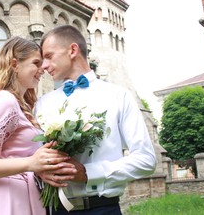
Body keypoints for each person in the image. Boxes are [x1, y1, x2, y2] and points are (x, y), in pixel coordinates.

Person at [35, 25, 157, 215]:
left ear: (73, 50)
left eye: (49, 56)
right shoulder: (43, 103)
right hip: (53, 209)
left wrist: (88, 173)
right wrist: (39, 169)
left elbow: (146, 160)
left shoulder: (118, 96)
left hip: (102, 209)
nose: (43, 65)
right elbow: (33, 158)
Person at [0, 36, 75, 215]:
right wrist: (31, 163)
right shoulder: (4, 100)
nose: (42, 69)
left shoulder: (22, 106)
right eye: (36, 63)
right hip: (6, 202)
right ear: (14, 64)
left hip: (25, 199)